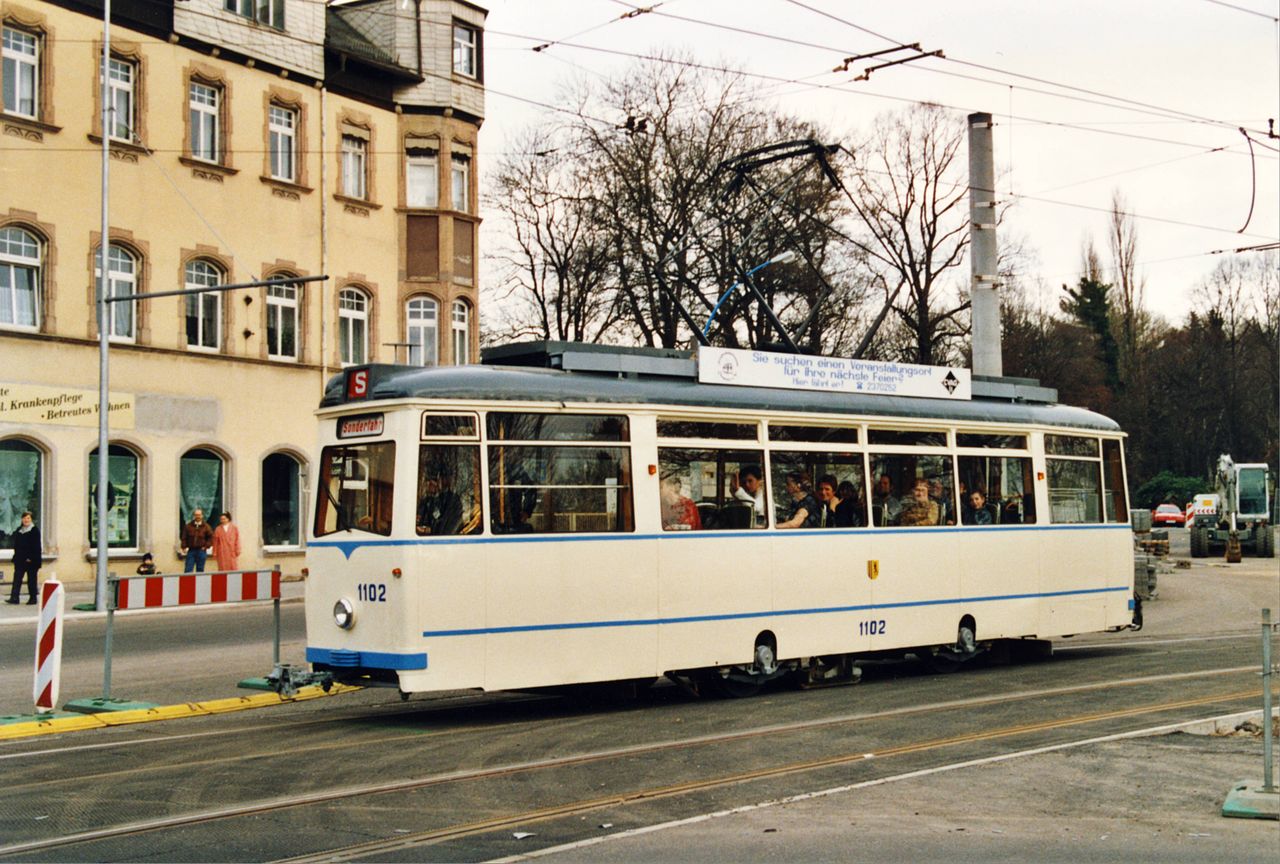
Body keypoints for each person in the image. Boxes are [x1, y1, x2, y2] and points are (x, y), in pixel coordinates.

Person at [6, 511, 41, 605]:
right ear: (22, 519)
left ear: (31, 519)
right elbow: (16, 545)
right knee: (17, 579)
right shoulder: (19, 530)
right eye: (24, 518)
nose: (26, 520)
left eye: (28, 518)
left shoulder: (34, 531)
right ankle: (14, 598)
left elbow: (36, 546)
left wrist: (31, 557)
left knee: (31, 580)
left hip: (31, 560)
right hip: (20, 560)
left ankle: (33, 598)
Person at [180, 508, 214, 573]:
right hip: (191, 550)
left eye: (199, 515)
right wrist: (183, 546)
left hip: (201, 551)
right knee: (188, 569)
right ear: (194, 516)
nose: (197, 516)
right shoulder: (188, 526)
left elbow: (211, 538)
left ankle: (200, 583)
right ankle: (188, 583)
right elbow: (184, 537)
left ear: (202, 516)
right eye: (196, 515)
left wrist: (206, 546)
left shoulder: (206, 527)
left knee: (200, 570)